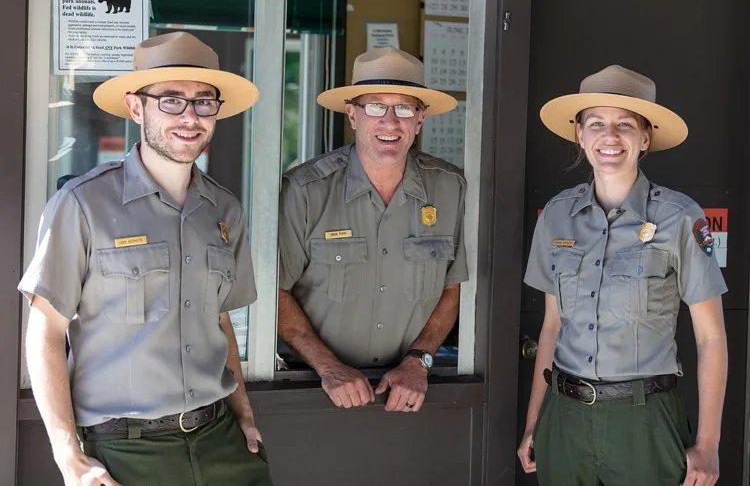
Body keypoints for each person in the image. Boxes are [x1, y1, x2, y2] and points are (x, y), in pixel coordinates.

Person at [19, 32, 273, 486]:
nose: (190, 117)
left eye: (203, 102)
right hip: (124, 453)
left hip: (222, 442)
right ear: (136, 108)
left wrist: (245, 417)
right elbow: (46, 330)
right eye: (171, 101)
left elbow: (220, 319)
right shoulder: (82, 204)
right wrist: (67, 456)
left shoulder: (225, 210)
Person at [517, 65, 728, 486]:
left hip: (643, 422)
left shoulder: (679, 217)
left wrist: (708, 443)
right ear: (579, 133)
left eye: (624, 125)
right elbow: (552, 327)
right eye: (596, 123)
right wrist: (533, 424)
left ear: (645, 138)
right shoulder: (558, 216)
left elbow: (711, 338)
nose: (609, 137)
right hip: (565, 418)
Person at [277, 47, 468, 412]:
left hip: (412, 387)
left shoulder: (450, 188)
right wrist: (328, 366)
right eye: (376, 107)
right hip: (310, 386)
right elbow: (275, 293)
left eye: (404, 108)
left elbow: (453, 286)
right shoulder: (305, 191)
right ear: (352, 114)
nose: (390, 122)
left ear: (420, 118)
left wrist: (419, 360)